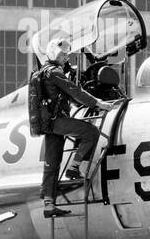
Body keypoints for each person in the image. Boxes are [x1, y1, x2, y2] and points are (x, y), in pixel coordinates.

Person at [35, 38, 114, 218]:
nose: (65, 58)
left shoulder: (45, 72)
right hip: (58, 121)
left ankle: (49, 205)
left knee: (52, 163)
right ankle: (74, 167)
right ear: (54, 53)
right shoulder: (54, 72)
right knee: (91, 132)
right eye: (63, 54)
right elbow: (74, 92)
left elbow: (64, 95)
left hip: (49, 124)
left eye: (66, 55)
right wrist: (97, 103)